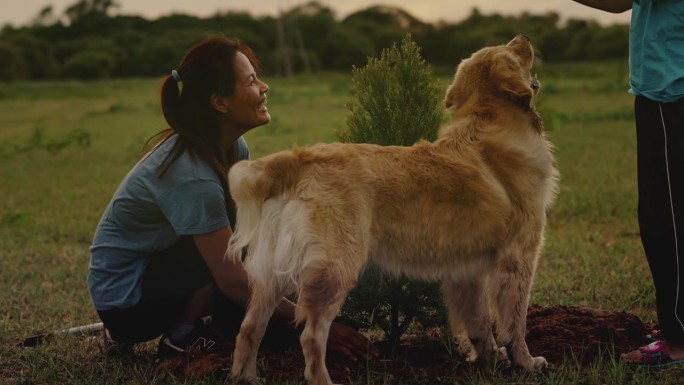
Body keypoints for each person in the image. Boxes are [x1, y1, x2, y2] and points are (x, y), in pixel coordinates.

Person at [87, 36, 374, 363]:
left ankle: (206, 321)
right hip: (128, 304)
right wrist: (312, 321)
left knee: (272, 324)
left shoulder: (231, 150)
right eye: (251, 80)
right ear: (220, 102)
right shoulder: (191, 175)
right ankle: (181, 338)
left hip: (165, 276)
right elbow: (232, 279)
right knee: (233, 260)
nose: (264, 87)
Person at [569, 0, 684, 368]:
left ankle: (679, 339)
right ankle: (675, 325)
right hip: (663, 88)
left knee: (666, 219)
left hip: (671, 92)